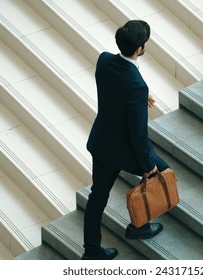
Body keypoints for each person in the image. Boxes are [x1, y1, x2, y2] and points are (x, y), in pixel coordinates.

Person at [82, 20, 170, 260]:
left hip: (102, 143)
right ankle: (139, 227)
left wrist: (142, 95)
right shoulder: (136, 86)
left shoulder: (104, 60)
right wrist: (147, 166)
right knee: (161, 172)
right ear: (139, 49)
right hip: (126, 149)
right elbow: (138, 134)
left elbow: (118, 85)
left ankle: (91, 251)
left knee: (97, 196)